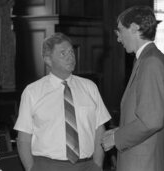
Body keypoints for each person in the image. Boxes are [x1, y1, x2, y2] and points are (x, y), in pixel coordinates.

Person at [14, 32, 111, 171]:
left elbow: (99, 129)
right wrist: (31, 168)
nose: (70, 57)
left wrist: (97, 165)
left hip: (87, 165)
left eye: (71, 52)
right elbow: (23, 138)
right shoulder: (32, 92)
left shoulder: (90, 87)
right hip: (48, 166)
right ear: (48, 60)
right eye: (63, 53)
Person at [101, 5, 164, 171]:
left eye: (120, 30)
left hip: (142, 163)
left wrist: (116, 138)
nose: (118, 39)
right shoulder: (146, 59)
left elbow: (151, 121)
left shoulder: (151, 62)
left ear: (134, 28)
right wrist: (120, 130)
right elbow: (145, 114)